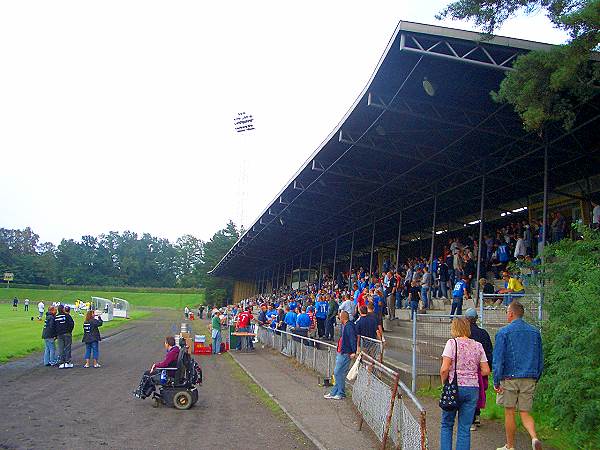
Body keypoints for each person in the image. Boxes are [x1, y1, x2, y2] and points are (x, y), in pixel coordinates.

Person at [494, 301, 543, 450]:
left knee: (509, 412)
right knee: (525, 412)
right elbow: (540, 357)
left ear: (511, 313)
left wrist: (496, 380)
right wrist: (536, 376)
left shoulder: (503, 332)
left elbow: (499, 359)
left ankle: (510, 446)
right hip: (530, 377)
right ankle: (534, 438)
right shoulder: (535, 332)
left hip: (509, 378)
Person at [440, 318, 490, 450]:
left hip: (454, 387)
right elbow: (486, 370)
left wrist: (444, 382)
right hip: (472, 388)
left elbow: (444, 368)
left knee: (447, 423)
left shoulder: (451, 343)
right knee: (464, 427)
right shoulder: (478, 345)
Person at [465, 308, 493, 431]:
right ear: (476, 319)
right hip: (482, 368)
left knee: (469, 391)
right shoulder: (483, 333)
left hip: (467, 369)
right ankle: (476, 415)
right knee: (479, 391)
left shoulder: (464, 334)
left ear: (466, 319)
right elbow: (489, 352)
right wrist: (488, 367)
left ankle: (471, 419)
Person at [324, 311, 357, 400]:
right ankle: (334, 392)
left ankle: (340, 393)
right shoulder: (346, 326)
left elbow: (352, 339)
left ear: (342, 317)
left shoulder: (349, 326)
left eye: (339, 316)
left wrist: (353, 351)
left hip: (345, 353)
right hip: (342, 352)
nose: (338, 318)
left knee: (338, 372)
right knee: (338, 373)